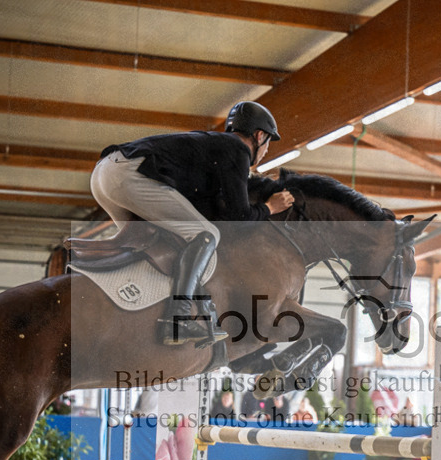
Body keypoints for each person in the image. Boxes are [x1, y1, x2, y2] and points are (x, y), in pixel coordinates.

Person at [90, 101, 295, 347]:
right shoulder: (237, 149)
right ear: (259, 136)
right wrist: (270, 208)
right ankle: (177, 320)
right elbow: (239, 217)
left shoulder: (215, 149)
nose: (266, 150)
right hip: (128, 175)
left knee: (156, 242)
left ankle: (134, 308)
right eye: (268, 143)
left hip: (104, 174)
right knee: (206, 235)